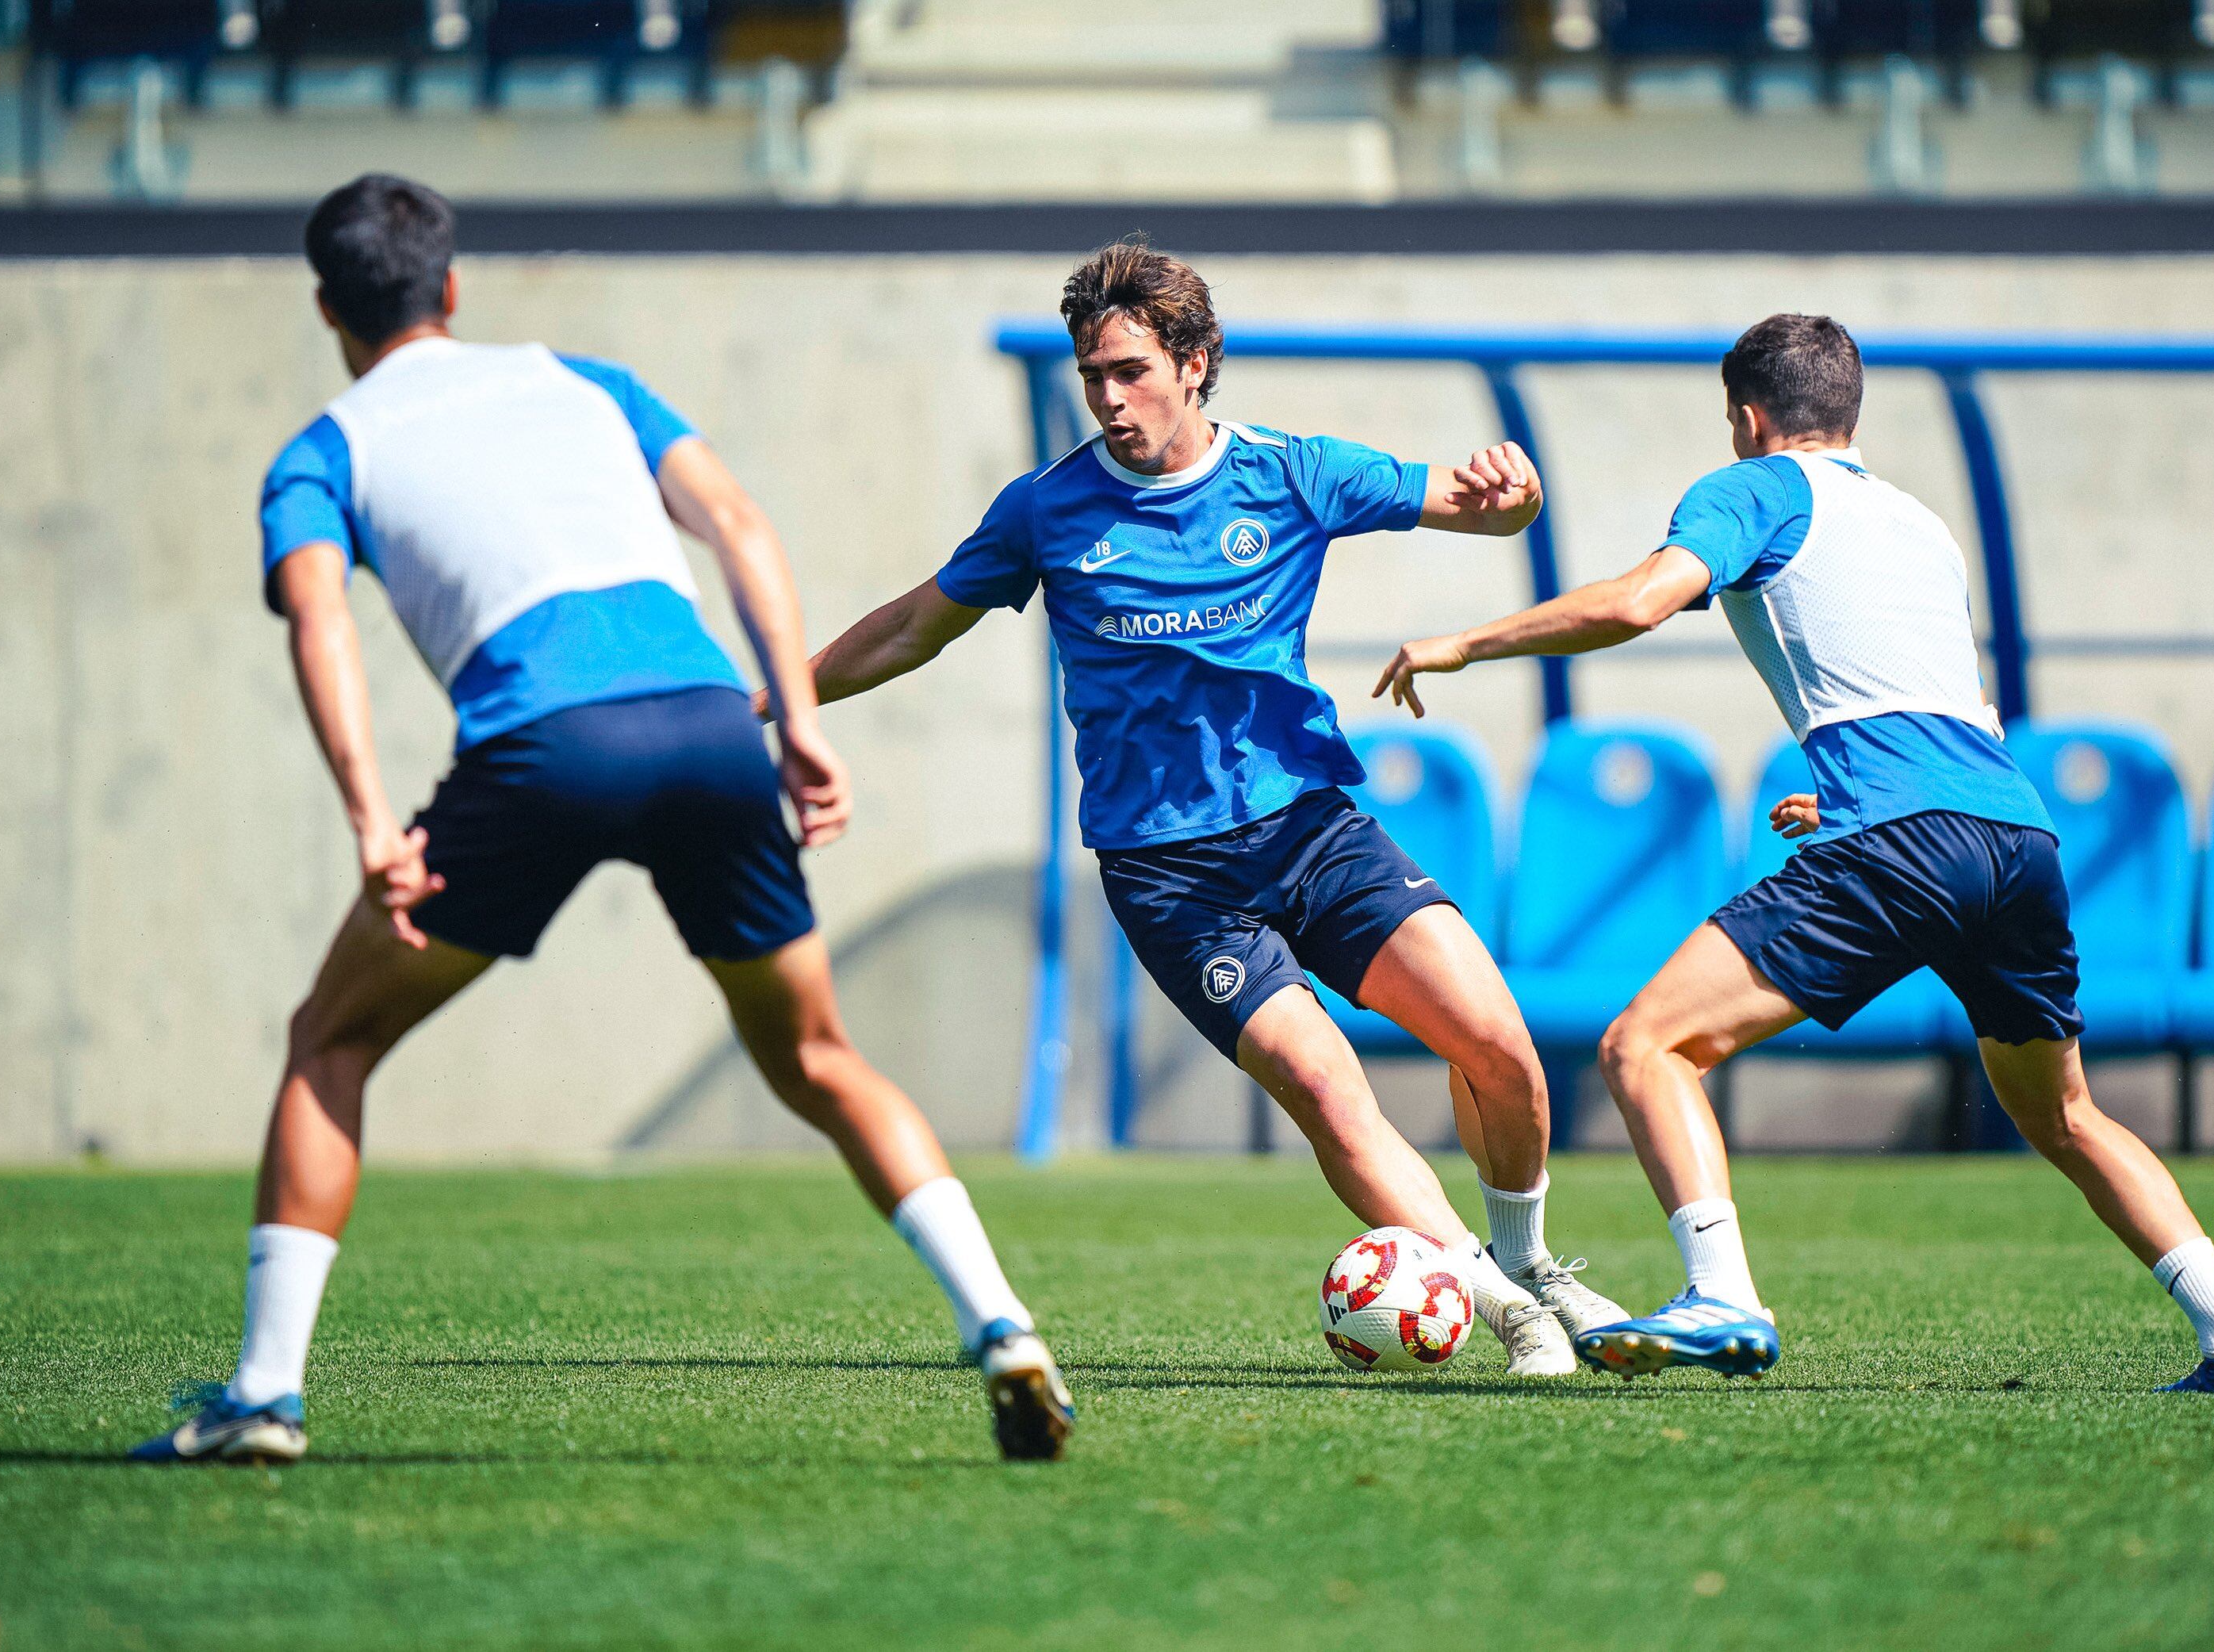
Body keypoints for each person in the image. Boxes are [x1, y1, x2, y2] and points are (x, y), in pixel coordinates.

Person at [133, 174, 1074, 1468]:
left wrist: (368, 817)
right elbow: (737, 523)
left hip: (543, 749)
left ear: (325, 308)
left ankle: (263, 1396)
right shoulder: (590, 384)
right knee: (817, 1057)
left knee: (330, 1037)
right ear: (451, 288)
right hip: (702, 723)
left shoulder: (322, 452)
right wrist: (794, 713)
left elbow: (320, 622)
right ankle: (1005, 1326)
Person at [1373, 312, 2214, 1395]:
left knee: (1645, 1049)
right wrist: (1852, 795)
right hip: (2013, 836)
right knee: (2066, 1113)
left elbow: (1635, 603)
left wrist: (1464, 640)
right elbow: (1940, 712)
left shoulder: (1750, 489)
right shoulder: (1919, 526)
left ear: (1746, 417)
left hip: (1903, 840)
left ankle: (1723, 1295)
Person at [806, 240, 1627, 1375]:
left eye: (1130, 370)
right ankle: (1508, 1314)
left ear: (1194, 364)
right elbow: (912, 625)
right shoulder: (1045, 511)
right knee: (1327, 1089)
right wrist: (775, 694)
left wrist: (1514, 493)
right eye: (1092, 373)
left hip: (1310, 828)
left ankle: (1531, 1262)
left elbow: (1481, 513)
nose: (1107, 396)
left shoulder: (1294, 473)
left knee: (1498, 1045)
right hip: (1172, 876)